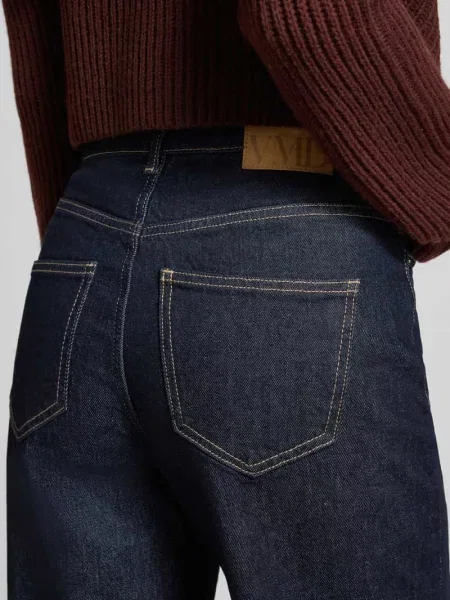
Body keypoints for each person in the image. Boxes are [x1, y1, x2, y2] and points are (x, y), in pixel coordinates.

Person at [3, 1, 450, 598]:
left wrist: (84, 224)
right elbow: (298, 12)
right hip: (282, 233)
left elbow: (31, 19)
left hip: (84, 244)